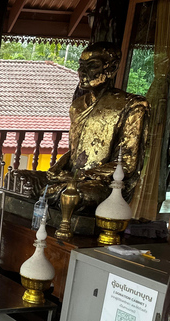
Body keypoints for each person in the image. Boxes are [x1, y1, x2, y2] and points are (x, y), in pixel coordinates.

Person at [13, 42, 150, 214]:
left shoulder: (133, 105)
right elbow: (74, 152)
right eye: (81, 66)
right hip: (69, 178)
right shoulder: (78, 106)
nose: (83, 72)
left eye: (92, 66)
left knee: (78, 195)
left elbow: (127, 164)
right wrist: (57, 169)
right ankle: (50, 194)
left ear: (112, 68)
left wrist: (78, 177)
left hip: (99, 183)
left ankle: (48, 196)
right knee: (16, 178)